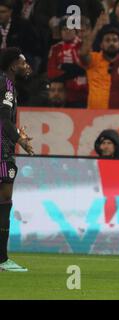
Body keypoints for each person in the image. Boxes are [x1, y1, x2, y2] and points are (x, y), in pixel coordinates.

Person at [0, 47, 34, 272]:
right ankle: (2, 260)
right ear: (13, 65)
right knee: (4, 203)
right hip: (1, 153)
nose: (26, 66)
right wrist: (18, 139)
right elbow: (3, 118)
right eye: (23, 62)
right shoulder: (7, 85)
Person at [79, 13, 119, 110]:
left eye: (115, 40)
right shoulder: (93, 59)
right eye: (107, 40)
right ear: (101, 45)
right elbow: (83, 53)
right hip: (93, 116)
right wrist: (96, 29)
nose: (111, 43)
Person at [47, 16, 87, 108]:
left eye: (70, 29)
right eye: (64, 29)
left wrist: (66, 71)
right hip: (63, 96)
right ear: (60, 32)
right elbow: (51, 72)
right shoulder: (55, 48)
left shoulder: (84, 47)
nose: (67, 31)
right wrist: (73, 73)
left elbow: (89, 69)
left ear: (75, 31)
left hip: (83, 93)